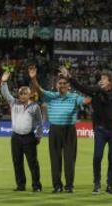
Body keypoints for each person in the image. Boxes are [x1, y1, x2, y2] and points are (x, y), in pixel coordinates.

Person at [29, 65, 91, 193]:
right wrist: (34, 79)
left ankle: (69, 186)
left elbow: (86, 100)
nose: (62, 85)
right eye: (60, 83)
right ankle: (57, 186)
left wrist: (98, 92)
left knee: (69, 159)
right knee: (55, 159)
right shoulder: (51, 96)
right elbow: (39, 90)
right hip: (55, 130)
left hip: (70, 131)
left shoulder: (74, 97)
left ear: (68, 86)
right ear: (57, 85)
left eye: (64, 83)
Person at [1, 71, 43, 192]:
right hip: (16, 138)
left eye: (25, 94)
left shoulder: (35, 107)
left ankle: (36, 185)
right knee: (17, 162)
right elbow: (6, 94)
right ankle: (21, 185)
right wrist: (4, 82)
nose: (22, 96)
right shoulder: (14, 103)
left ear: (29, 95)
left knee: (33, 163)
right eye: (20, 94)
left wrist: (39, 136)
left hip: (29, 138)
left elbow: (40, 123)